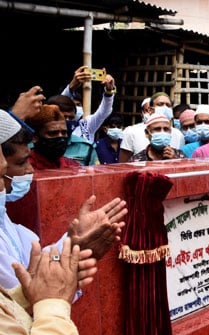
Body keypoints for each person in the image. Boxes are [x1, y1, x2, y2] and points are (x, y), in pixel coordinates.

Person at [0, 109, 128, 288]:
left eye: (63, 133)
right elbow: (25, 295)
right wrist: (73, 256)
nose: (30, 170)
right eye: (21, 163)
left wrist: (72, 242)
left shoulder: (6, 221)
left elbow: (35, 266)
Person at [119, 92, 184, 162]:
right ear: (150, 110)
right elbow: (123, 164)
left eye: (168, 105)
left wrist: (175, 160)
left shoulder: (178, 135)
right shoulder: (132, 132)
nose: (165, 108)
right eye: (160, 104)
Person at [59, 65, 116, 144]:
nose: (75, 108)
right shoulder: (56, 125)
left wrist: (109, 92)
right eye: (72, 105)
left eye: (78, 104)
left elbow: (104, 111)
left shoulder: (87, 125)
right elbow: (58, 104)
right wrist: (71, 87)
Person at [46, 95, 99, 166]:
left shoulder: (86, 148)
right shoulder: (32, 147)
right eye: (64, 117)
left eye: (71, 118)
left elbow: (94, 174)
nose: (67, 121)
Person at [26, 104, 81, 170]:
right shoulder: (25, 169)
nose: (61, 138)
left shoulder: (74, 166)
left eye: (64, 133)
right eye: (53, 133)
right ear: (35, 137)